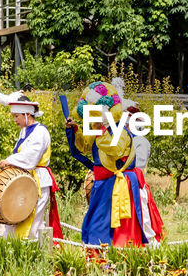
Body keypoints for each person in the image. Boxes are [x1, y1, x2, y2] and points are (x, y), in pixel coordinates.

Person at [65, 81, 146, 249]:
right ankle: (97, 256)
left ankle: (110, 257)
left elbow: (115, 150)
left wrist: (100, 129)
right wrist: (75, 130)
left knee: (109, 225)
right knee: (96, 221)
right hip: (101, 184)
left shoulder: (122, 131)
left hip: (117, 185)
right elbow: (85, 147)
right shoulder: (98, 128)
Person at [0, 82, 62, 242]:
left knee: (33, 220)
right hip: (26, 178)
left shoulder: (40, 131)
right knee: (16, 216)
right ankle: (16, 248)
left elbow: (30, 157)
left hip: (38, 179)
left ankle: (30, 251)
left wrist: (8, 161)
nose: (14, 120)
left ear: (27, 114)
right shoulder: (25, 131)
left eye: (16, 116)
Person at [114, 78, 164, 244]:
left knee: (143, 221)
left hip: (135, 184)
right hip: (121, 184)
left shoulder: (141, 141)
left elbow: (138, 167)